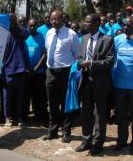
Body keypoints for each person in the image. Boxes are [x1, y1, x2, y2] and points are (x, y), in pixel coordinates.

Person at [75, 13, 114, 156]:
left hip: (101, 83)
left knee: (99, 114)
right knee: (85, 113)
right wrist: (79, 63)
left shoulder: (107, 39)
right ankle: (86, 141)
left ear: (97, 23)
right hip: (85, 82)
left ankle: (98, 143)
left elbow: (109, 62)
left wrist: (90, 63)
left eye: (88, 22)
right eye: (85, 22)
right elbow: (80, 56)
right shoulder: (84, 39)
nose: (86, 24)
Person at [42, 9, 80, 143]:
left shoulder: (71, 34)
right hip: (50, 71)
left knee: (65, 103)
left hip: (65, 72)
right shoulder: (49, 32)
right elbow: (48, 50)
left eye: (56, 19)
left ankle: (66, 132)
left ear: (62, 19)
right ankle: (52, 131)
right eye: (51, 19)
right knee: (51, 103)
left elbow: (76, 55)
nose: (53, 21)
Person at [2, 14, 29, 127]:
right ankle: (7, 118)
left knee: (19, 96)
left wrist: (16, 24)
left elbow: (26, 34)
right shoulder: (3, 33)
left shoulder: (20, 32)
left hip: (20, 69)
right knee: (7, 96)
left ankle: (18, 118)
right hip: (7, 69)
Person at [112, 16, 133, 152]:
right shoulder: (117, 40)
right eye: (124, 25)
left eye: (129, 25)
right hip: (119, 85)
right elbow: (111, 59)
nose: (125, 27)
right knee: (121, 115)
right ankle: (121, 141)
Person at [23, 18, 48, 124]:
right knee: (25, 96)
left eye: (34, 25)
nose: (32, 27)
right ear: (27, 26)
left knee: (38, 96)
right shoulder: (24, 37)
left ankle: (39, 117)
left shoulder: (42, 37)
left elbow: (44, 54)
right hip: (25, 72)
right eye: (30, 25)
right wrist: (27, 69)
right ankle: (24, 116)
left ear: (37, 26)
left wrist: (35, 68)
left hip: (38, 72)